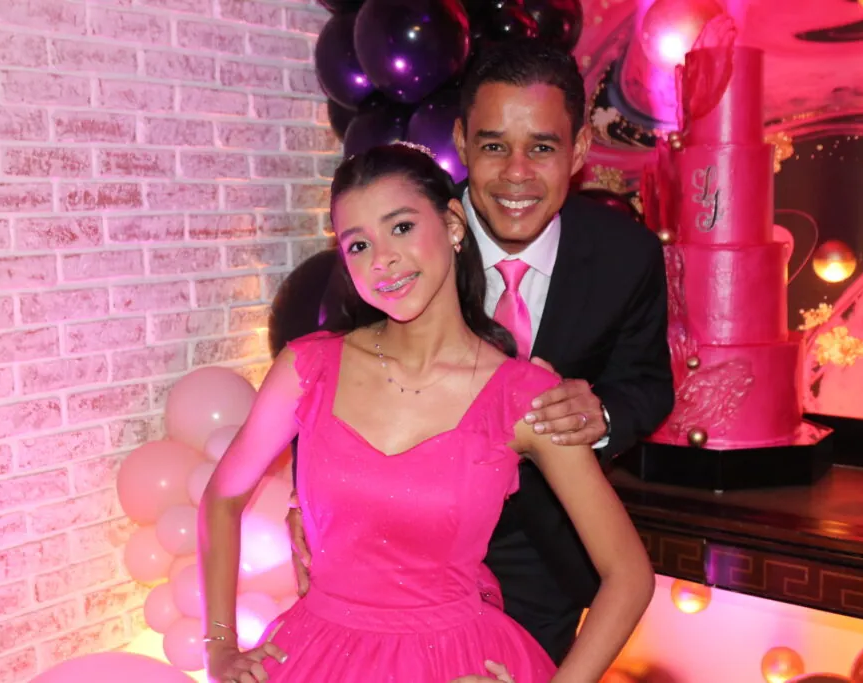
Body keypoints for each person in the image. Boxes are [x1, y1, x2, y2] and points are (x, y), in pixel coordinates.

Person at [198, 143, 654, 682]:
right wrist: (220, 645)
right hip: (314, 657)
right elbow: (221, 497)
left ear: (453, 224)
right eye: (359, 244)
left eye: (401, 227)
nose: (382, 260)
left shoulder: (521, 395)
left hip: (456, 660)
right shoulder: (307, 367)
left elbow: (628, 575)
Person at [287, 41, 676, 668]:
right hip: (390, 560)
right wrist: (306, 500)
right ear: (462, 143)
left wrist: (598, 414)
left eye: (542, 148)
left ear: (578, 150)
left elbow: (649, 383)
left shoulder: (625, 255)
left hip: (544, 551)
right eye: (494, 146)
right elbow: (333, 372)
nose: (516, 174)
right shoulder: (397, 236)